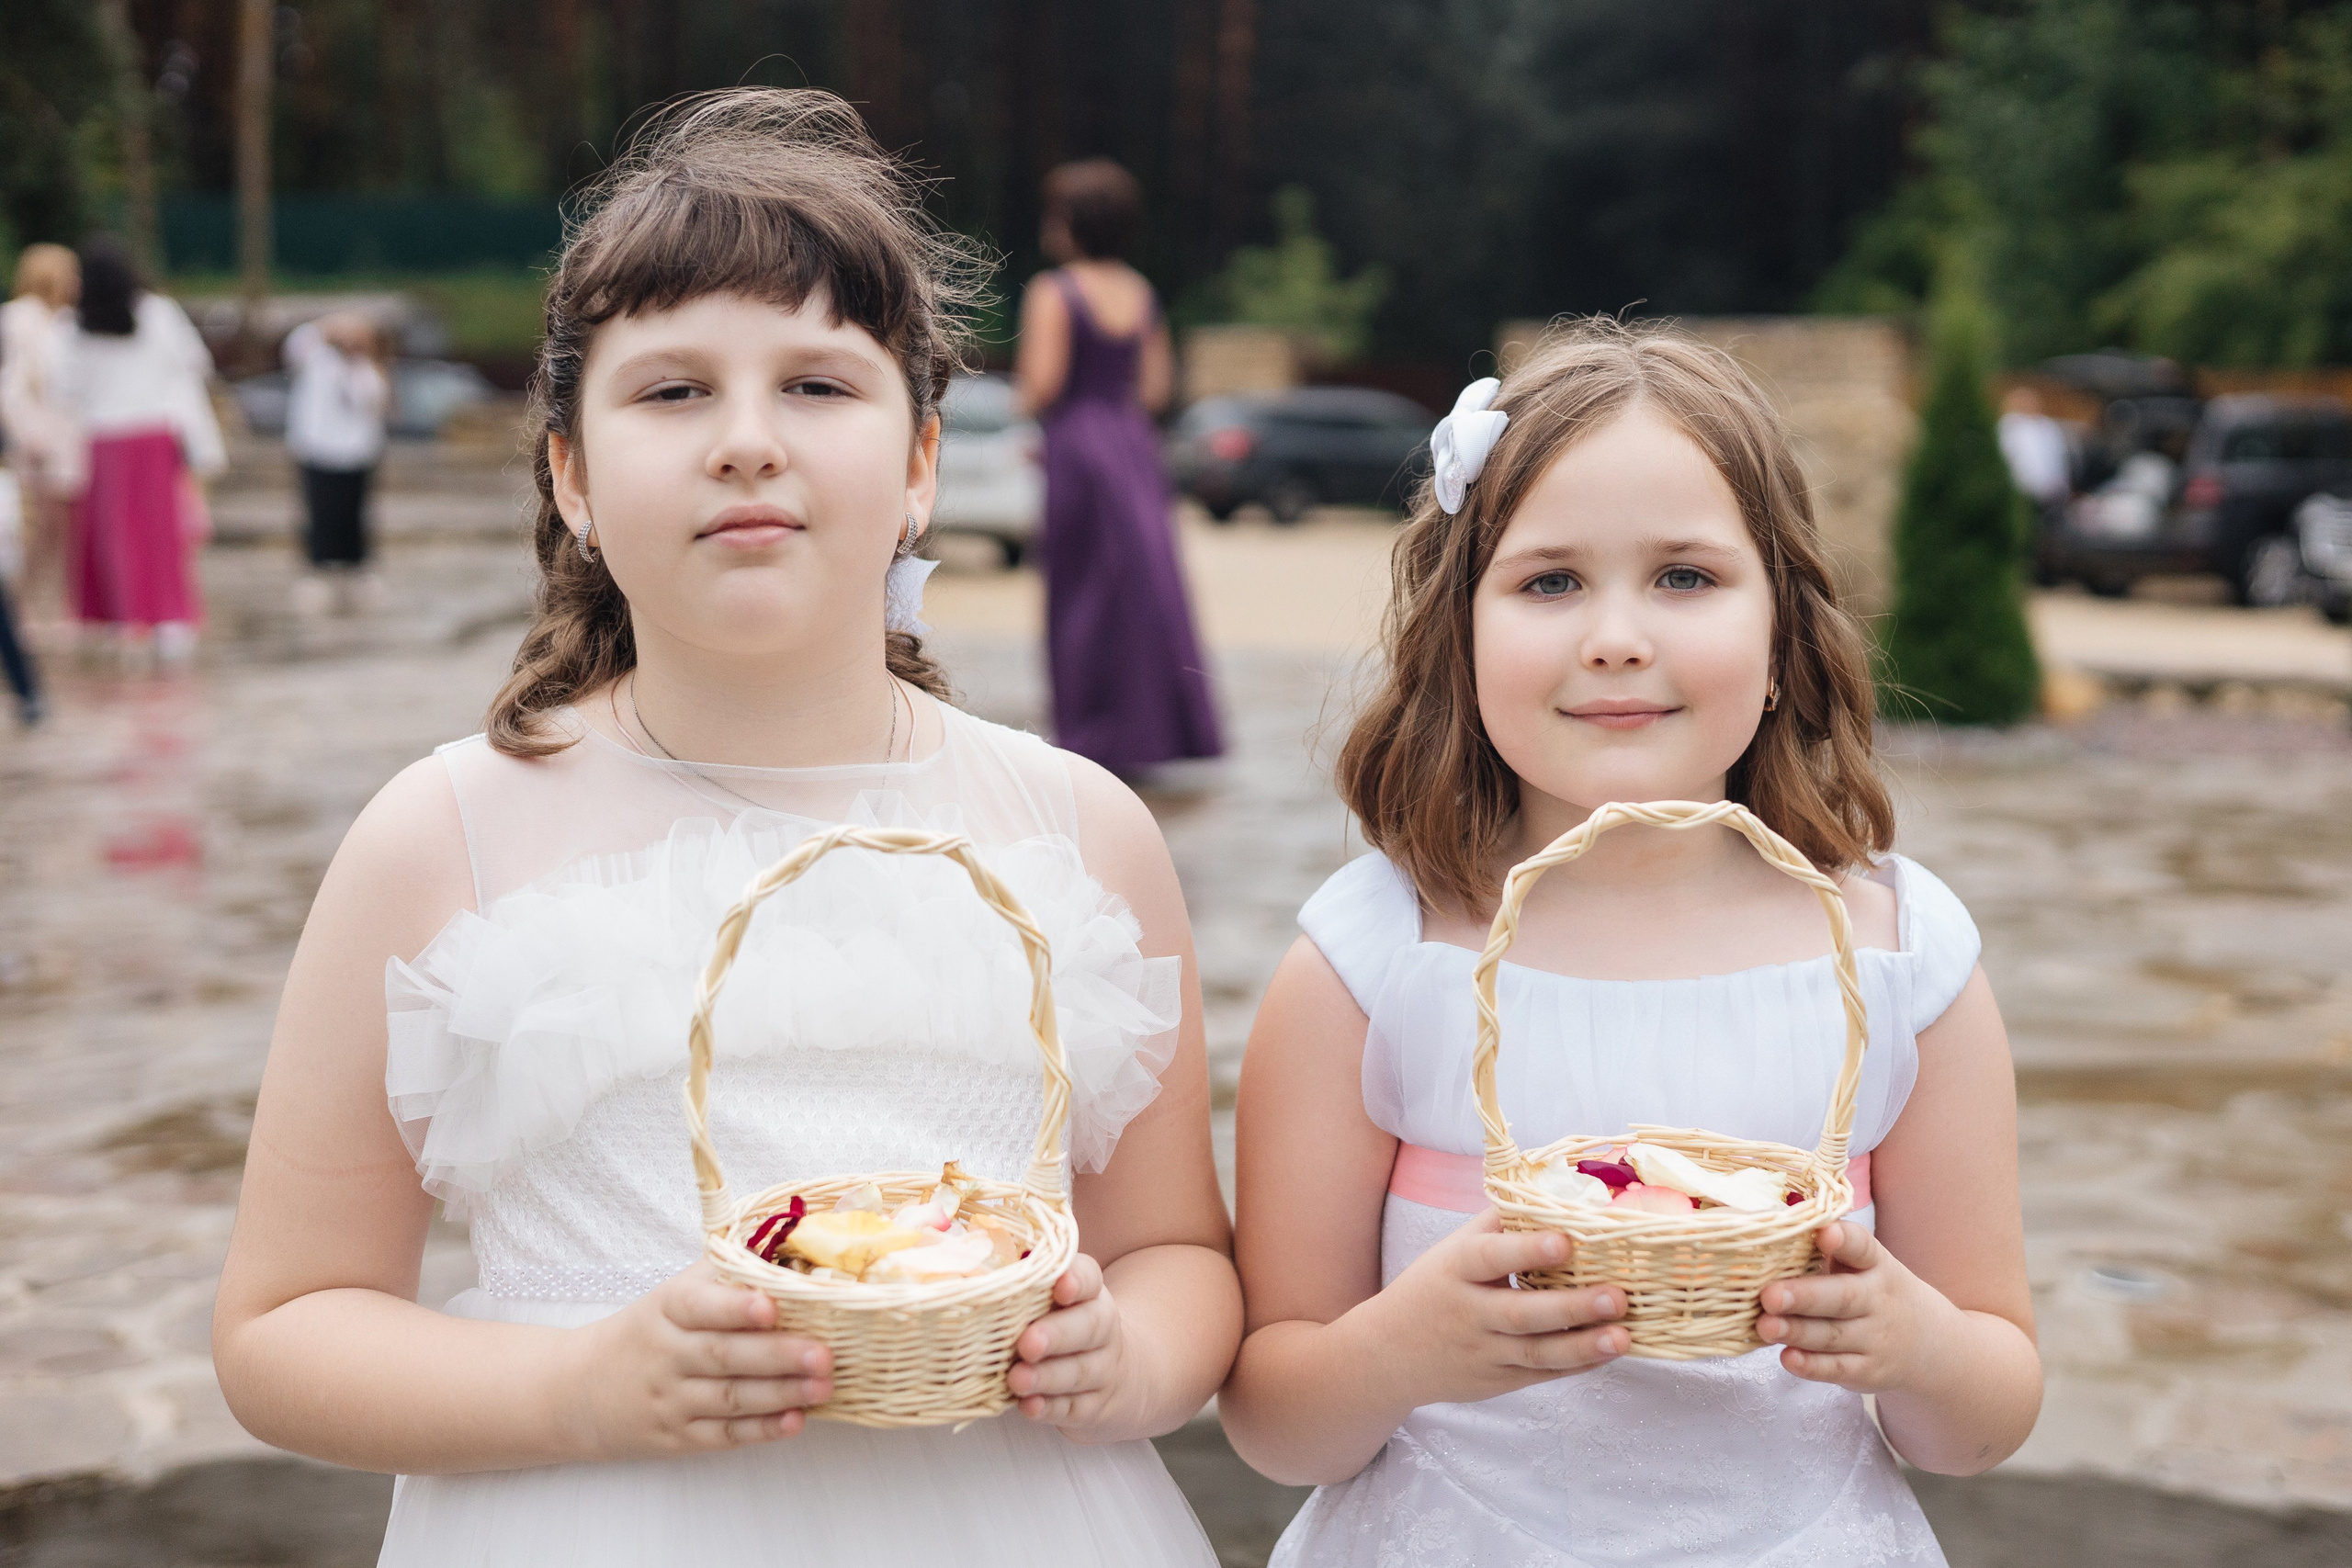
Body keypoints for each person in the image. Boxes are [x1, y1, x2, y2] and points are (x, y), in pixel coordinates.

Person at [210, 89, 1238, 1568]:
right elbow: (282, 1327)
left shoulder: (1080, 827)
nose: (748, 441)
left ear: (921, 464)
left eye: (819, 386)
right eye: (673, 391)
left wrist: (1133, 1353)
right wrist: (577, 1385)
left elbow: (1177, 1254)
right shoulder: (441, 835)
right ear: (570, 473)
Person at [1220, 321, 2041, 1565]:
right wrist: (1401, 1350)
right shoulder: (1371, 962)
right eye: (1550, 581)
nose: (1616, 634)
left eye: (1685, 578)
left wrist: (1917, 1341)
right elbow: (1276, 1418)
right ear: (1462, 632)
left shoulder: (1897, 957)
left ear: (1783, 637)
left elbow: (1980, 1422)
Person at [1014, 158, 1222, 777]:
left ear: (1069, 223)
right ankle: (1150, 733)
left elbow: (1040, 384)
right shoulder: (1141, 292)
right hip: (1131, 446)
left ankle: (1087, 732)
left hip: (1076, 447)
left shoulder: (1054, 291)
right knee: (1141, 590)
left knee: (1079, 592)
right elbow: (1156, 388)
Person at [57, 237, 224, 666]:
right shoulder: (158, 312)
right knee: (160, 533)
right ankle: (170, 621)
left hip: (106, 436)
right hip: (154, 433)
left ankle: (125, 620)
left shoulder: (76, 325)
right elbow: (193, 363)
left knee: (115, 535)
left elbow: (65, 388)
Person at [283, 310, 391, 615]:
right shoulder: (317, 359)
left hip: (356, 453)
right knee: (319, 512)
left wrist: (360, 358)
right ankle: (319, 568)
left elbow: (375, 400)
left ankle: (357, 566)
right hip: (318, 449)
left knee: (355, 512)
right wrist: (330, 327)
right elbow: (296, 344)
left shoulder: (366, 370)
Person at [1, 243, 83, 626]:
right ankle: (22, 603)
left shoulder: (69, 319)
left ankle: (61, 605)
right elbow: (11, 384)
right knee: (43, 522)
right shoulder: (18, 319)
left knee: (67, 525)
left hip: (68, 434)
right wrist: (22, 433)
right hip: (37, 435)